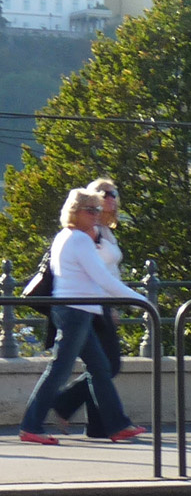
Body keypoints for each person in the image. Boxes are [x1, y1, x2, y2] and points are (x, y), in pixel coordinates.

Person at [17, 188, 149, 445]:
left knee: (100, 369)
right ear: (75, 212)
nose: (96, 214)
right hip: (75, 311)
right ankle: (30, 425)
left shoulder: (65, 237)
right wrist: (142, 301)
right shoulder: (78, 239)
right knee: (59, 369)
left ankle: (118, 424)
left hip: (79, 311)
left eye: (98, 209)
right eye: (91, 210)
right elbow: (103, 278)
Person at [52, 178, 125, 437]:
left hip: (103, 303)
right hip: (91, 303)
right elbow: (96, 272)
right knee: (107, 365)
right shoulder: (89, 233)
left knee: (101, 365)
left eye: (114, 192)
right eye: (105, 193)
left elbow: (110, 269)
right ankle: (64, 403)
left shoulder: (105, 230)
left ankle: (98, 425)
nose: (111, 197)